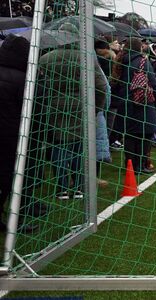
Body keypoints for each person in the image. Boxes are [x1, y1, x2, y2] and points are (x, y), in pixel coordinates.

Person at [39, 24, 108, 200]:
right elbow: (101, 87)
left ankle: (62, 188)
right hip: (80, 109)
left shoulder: (46, 59)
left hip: (54, 109)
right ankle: (78, 188)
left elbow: (39, 86)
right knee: (78, 148)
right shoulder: (86, 58)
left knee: (59, 147)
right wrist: (96, 109)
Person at [0, 34, 47, 233]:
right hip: (13, 139)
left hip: (8, 136)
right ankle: (15, 222)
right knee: (15, 180)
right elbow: (34, 112)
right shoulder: (24, 79)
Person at [113, 38, 156, 175]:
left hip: (126, 103)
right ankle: (139, 165)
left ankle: (129, 165)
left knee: (130, 136)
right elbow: (153, 82)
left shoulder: (120, 61)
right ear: (139, 48)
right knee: (144, 135)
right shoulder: (143, 62)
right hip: (142, 103)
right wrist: (155, 97)